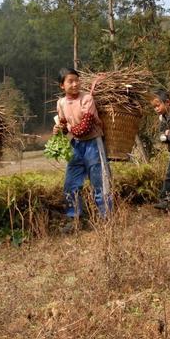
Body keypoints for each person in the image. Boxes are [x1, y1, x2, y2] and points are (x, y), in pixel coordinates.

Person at [54, 68, 112, 232]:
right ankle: (75, 219)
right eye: (70, 81)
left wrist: (68, 129)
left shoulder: (86, 99)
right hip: (76, 146)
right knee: (71, 184)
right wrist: (59, 129)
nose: (75, 84)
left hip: (93, 143)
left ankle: (106, 218)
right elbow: (64, 125)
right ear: (62, 86)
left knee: (99, 182)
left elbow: (85, 127)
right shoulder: (61, 103)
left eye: (76, 80)